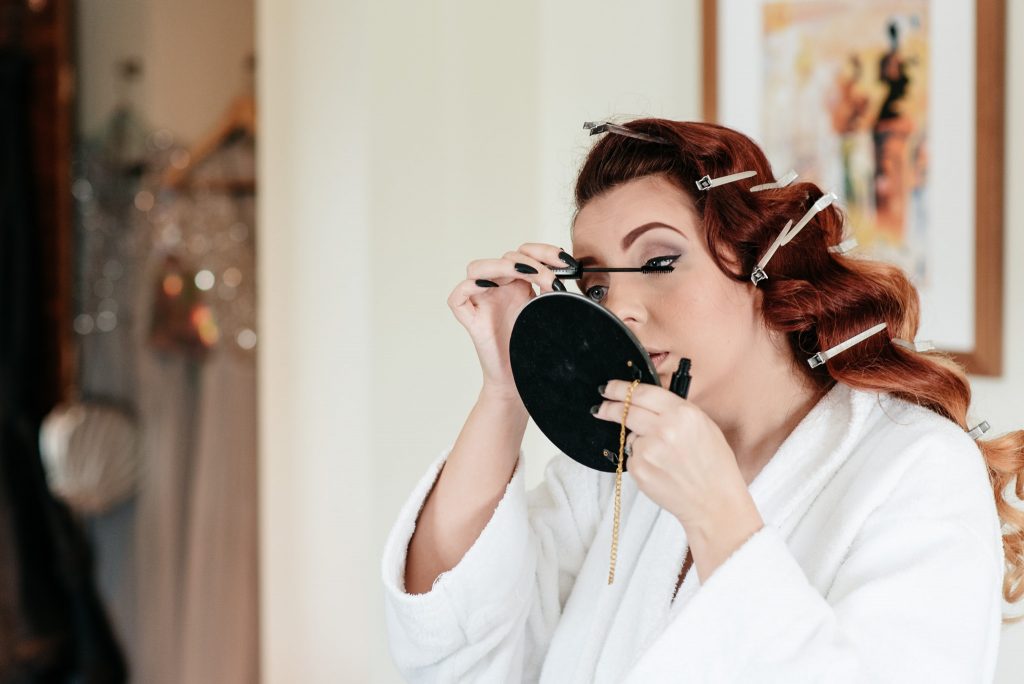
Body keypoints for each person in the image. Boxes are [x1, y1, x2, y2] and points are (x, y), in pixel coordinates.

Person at [381, 119, 1024, 682]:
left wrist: (716, 511)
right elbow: (456, 640)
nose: (622, 307)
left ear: (763, 265)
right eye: (598, 286)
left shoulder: (915, 467)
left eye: (659, 262)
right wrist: (506, 387)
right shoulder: (621, 457)